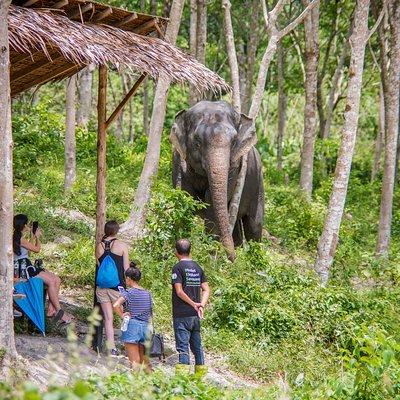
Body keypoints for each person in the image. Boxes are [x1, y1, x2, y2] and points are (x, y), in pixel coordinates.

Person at [13, 214, 72, 324]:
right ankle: (59, 310)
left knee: (57, 279)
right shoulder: (20, 239)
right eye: (28, 224)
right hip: (24, 268)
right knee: (51, 281)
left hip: (25, 265)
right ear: (24, 225)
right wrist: (38, 237)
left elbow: (28, 251)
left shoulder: (17, 238)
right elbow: (37, 249)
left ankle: (51, 310)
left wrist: (33, 236)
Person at [171, 239, 210, 378]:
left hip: (181, 314)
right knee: (197, 348)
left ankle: (182, 382)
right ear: (190, 251)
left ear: (176, 252)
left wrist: (193, 304)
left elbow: (179, 291)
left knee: (183, 348)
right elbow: (206, 289)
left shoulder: (177, 268)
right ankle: (200, 380)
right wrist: (201, 305)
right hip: (195, 315)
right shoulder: (198, 267)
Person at [95, 220, 129, 356]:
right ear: (116, 231)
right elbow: (126, 269)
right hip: (117, 287)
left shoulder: (99, 246)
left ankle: (112, 348)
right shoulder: (122, 246)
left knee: (108, 318)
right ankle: (129, 345)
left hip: (102, 286)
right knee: (125, 316)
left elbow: (99, 265)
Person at [113, 263, 153, 372]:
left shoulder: (128, 293)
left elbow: (116, 305)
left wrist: (122, 314)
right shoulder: (147, 293)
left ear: (128, 278)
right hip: (145, 327)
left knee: (135, 363)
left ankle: (135, 387)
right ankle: (153, 385)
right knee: (145, 362)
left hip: (132, 327)